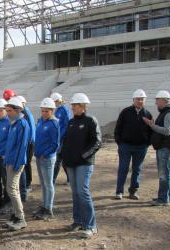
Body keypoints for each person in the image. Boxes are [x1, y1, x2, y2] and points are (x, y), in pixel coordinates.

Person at [59, 93, 101, 239]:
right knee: (75, 193)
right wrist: (64, 156)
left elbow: (97, 142)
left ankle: (91, 225)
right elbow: (67, 142)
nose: (73, 108)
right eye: (72, 105)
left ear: (83, 106)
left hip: (84, 163)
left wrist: (84, 155)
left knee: (83, 192)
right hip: (70, 163)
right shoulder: (71, 122)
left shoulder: (90, 121)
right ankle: (78, 221)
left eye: (75, 105)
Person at [114, 89, 152, 200]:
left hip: (141, 147)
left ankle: (133, 191)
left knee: (137, 169)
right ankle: (119, 191)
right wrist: (119, 142)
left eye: (142, 99)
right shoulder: (125, 112)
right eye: (138, 99)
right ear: (133, 100)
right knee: (123, 168)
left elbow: (151, 130)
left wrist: (147, 143)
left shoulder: (147, 114)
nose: (140, 101)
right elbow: (118, 128)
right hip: (125, 146)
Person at [142, 90, 170, 206]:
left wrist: (152, 125)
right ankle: (166, 197)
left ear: (163, 100)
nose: (156, 103)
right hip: (163, 147)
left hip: (165, 147)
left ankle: (163, 199)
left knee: (164, 174)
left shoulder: (169, 113)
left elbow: (167, 131)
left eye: (157, 101)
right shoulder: (166, 112)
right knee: (165, 173)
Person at [3, 97, 30, 231]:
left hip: (16, 163)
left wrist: (17, 163)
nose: (7, 113)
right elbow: (10, 144)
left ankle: (20, 218)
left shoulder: (22, 124)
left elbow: (23, 146)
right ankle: (16, 215)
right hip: (10, 161)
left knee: (12, 189)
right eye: (7, 110)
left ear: (17, 110)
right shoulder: (13, 123)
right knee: (13, 189)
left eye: (9, 110)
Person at [33, 98, 60, 221]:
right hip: (39, 157)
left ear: (52, 111)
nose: (44, 113)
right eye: (42, 111)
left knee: (48, 184)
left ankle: (48, 208)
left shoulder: (53, 124)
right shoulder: (40, 122)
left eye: (46, 111)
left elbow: (55, 144)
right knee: (43, 183)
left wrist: (45, 153)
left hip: (47, 158)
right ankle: (44, 205)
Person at [15, 96, 35, 200]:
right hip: (28, 142)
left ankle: (28, 184)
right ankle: (26, 183)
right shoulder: (25, 113)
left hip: (29, 143)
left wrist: (29, 142)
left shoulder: (26, 114)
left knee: (27, 164)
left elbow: (30, 129)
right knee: (26, 164)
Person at [50, 92, 72, 185]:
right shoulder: (58, 110)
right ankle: (70, 178)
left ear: (57, 101)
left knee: (59, 160)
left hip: (63, 139)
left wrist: (60, 136)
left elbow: (66, 125)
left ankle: (53, 180)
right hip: (59, 137)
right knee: (63, 161)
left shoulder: (64, 110)